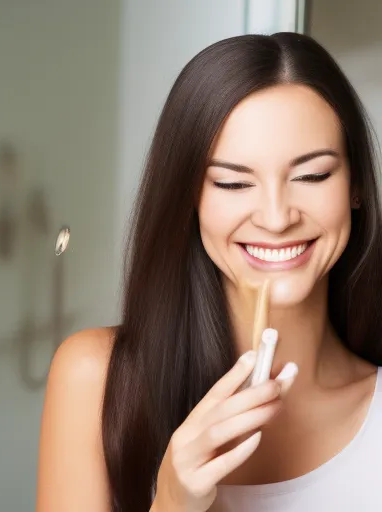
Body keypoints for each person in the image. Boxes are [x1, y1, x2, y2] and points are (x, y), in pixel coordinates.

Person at [35, 32, 382, 512]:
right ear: (190, 199)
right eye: (233, 183)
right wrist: (173, 502)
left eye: (311, 176)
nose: (276, 217)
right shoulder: (95, 380)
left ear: (357, 186)